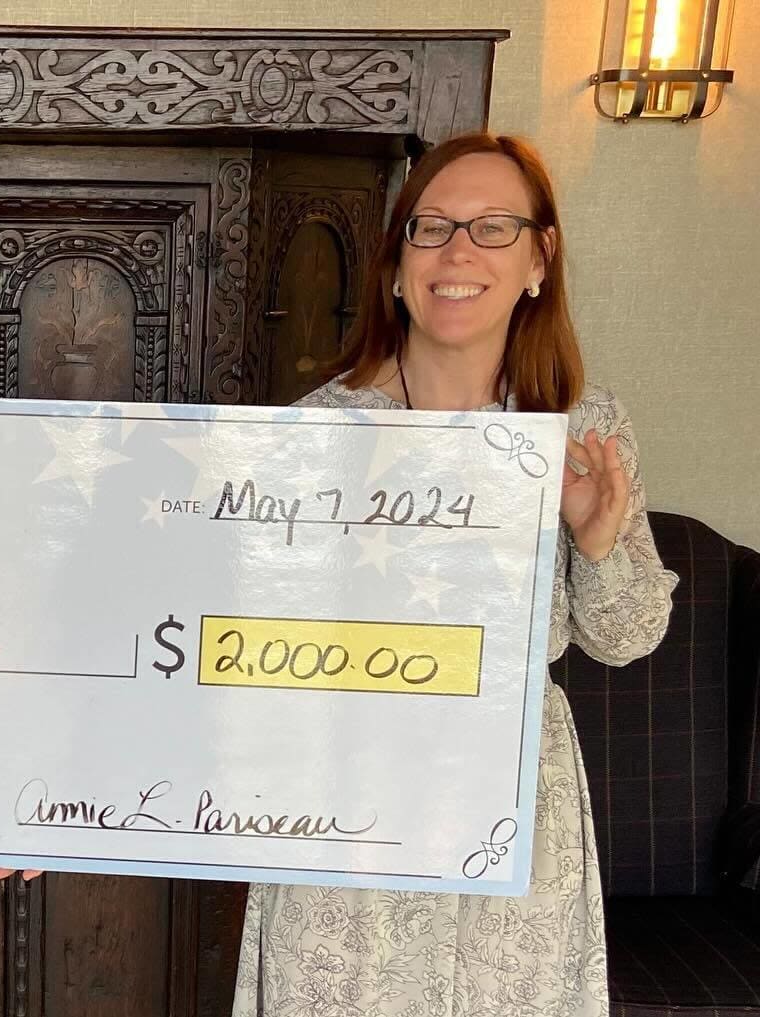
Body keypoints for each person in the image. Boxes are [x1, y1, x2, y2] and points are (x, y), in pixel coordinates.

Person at [232, 133, 678, 1016]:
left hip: (509, 801)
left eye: (493, 226)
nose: (459, 251)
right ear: (398, 266)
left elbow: (627, 639)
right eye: (432, 227)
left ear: (540, 260)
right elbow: (231, 642)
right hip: (345, 794)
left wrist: (596, 542)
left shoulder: (584, 425)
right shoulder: (319, 429)